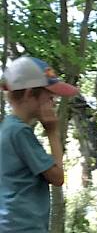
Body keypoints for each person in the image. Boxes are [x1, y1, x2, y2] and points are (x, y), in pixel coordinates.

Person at [0, 56, 79, 232]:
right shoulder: (20, 132)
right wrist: (52, 131)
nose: (53, 102)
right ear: (29, 93)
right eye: (49, 96)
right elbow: (57, 178)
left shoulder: (8, 129)